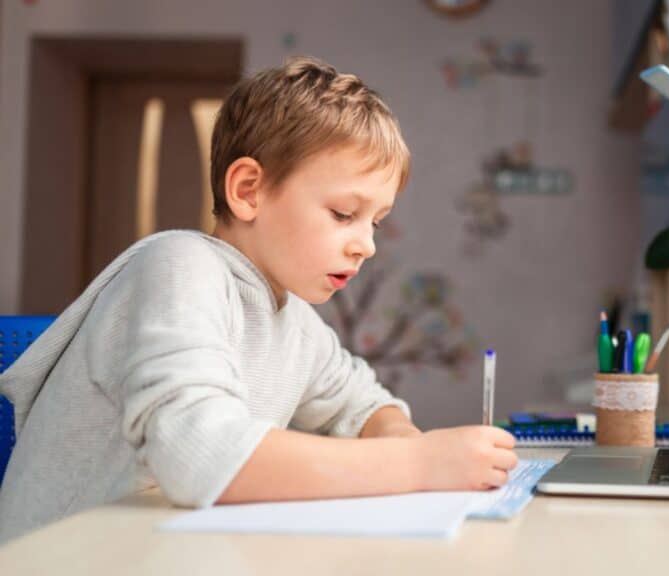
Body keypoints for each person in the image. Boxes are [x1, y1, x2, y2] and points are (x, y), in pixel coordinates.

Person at [0, 56, 516, 544]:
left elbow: (365, 405)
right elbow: (199, 457)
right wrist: (420, 465)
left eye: (375, 222)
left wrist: (400, 436)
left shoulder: (294, 320)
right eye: (343, 214)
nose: (368, 244)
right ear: (248, 190)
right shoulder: (180, 265)